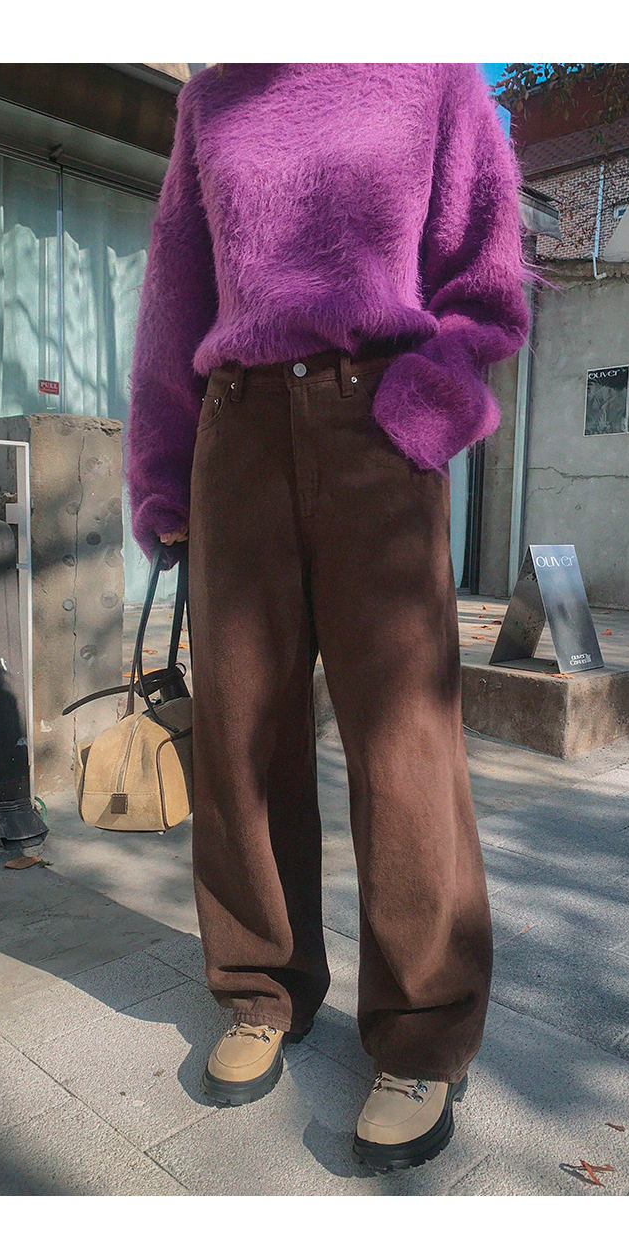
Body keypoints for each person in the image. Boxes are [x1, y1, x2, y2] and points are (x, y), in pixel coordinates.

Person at [127, 63, 529, 1173]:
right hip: (239, 437)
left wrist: (424, 411)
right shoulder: (213, 98)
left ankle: (424, 1031)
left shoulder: (430, 72)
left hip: (377, 429)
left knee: (405, 741)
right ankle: (261, 986)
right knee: (241, 733)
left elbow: (488, 283)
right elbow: (175, 296)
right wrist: (163, 474)